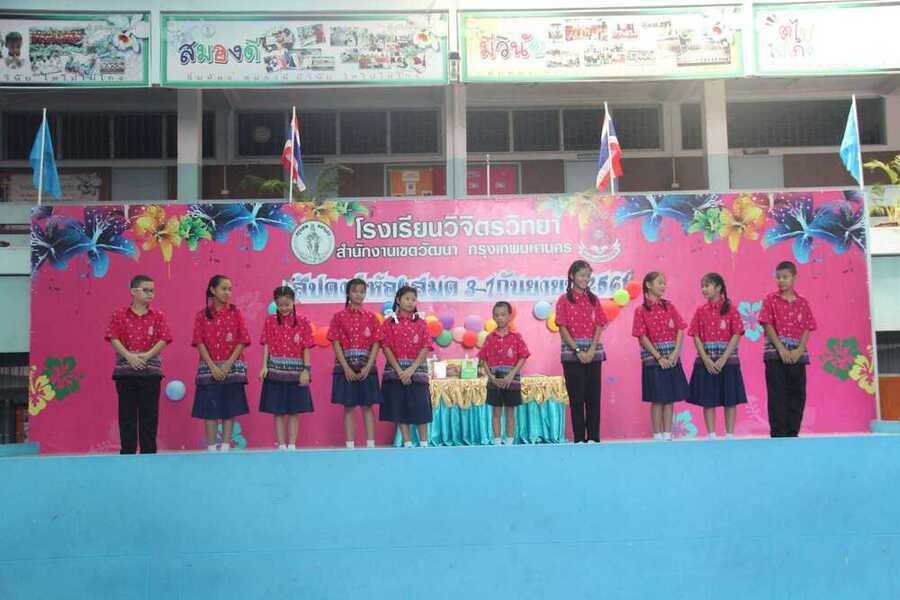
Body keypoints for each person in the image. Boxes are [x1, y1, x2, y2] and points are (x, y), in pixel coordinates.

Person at [104, 274, 171, 454]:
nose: (150, 294)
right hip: (125, 373)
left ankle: (149, 452)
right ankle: (128, 452)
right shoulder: (119, 314)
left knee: (149, 415)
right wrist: (129, 356)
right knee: (127, 415)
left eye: (152, 291)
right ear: (133, 291)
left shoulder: (158, 316)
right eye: (146, 290)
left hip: (151, 373)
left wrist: (147, 356)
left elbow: (163, 339)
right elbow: (113, 338)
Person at [191, 275, 251, 451]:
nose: (228, 292)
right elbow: (199, 342)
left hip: (232, 369)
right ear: (213, 290)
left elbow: (243, 340)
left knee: (229, 409)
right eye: (224, 288)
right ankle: (211, 448)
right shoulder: (201, 315)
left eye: (230, 289)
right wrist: (212, 366)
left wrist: (227, 365)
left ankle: (225, 447)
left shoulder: (235, 312)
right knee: (210, 411)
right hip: (209, 369)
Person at [760, 261, 817, 437]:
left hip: (797, 356)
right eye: (778, 277)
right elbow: (767, 324)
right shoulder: (770, 299)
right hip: (775, 356)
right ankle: (778, 434)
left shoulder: (802, 303)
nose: (781, 281)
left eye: (785, 277)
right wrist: (781, 349)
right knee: (777, 395)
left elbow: (807, 327)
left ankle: (793, 432)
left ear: (794, 277)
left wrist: (799, 350)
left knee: (797, 394)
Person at [687, 273, 747, 439]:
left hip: (728, 363)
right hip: (706, 363)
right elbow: (695, 335)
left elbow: (737, 334)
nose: (704, 289)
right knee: (708, 400)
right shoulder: (701, 311)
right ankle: (711, 435)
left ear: (719, 287)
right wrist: (706, 359)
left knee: (730, 399)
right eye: (702, 286)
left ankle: (729, 435)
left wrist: (723, 358)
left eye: (707, 285)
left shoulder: (731, 309)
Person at [631, 272, 689, 441]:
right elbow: (642, 336)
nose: (663, 286)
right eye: (659, 283)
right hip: (653, 361)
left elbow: (680, 329)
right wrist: (659, 357)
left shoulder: (669, 306)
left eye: (664, 283)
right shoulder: (640, 310)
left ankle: (668, 435)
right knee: (657, 399)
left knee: (669, 399)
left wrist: (675, 353)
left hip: (671, 359)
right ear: (649, 285)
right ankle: (657, 436)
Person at [555, 260, 608, 443]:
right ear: (572, 276)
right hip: (572, 356)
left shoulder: (593, 299)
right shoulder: (563, 300)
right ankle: (579, 439)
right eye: (582, 275)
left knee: (593, 398)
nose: (585, 279)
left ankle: (593, 438)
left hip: (594, 355)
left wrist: (592, 350)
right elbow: (562, 328)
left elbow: (600, 324)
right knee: (576, 399)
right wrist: (578, 350)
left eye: (588, 276)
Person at [328, 278, 383, 448]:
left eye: (362, 291)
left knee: (367, 406)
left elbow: (377, 343)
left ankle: (371, 444)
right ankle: (350, 445)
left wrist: (369, 366)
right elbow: (335, 342)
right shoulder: (339, 317)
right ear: (348, 293)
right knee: (349, 406)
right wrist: (345, 368)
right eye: (355, 291)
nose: (359, 295)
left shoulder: (371, 318)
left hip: (366, 368)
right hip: (346, 368)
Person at [259, 286, 314, 450]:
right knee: (278, 411)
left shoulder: (303, 321)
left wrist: (306, 370)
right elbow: (267, 344)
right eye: (280, 305)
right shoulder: (270, 321)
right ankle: (281, 445)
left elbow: (306, 347)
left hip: (296, 373)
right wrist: (264, 366)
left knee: (294, 411)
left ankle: (292, 444)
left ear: (293, 302)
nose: (284, 308)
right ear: (275, 304)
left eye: (287, 304)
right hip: (275, 371)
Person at [378, 286, 433, 447]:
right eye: (407, 299)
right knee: (400, 408)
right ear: (398, 300)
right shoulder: (389, 323)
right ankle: (407, 442)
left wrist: (411, 370)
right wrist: (400, 371)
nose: (410, 302)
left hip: (417, 374)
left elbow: (426, 347)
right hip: (396, 374)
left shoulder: (421, 323)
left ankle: (424, 444)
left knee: (421, 408)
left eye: (413, 299)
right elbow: (386, 347)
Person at [478, 301, 530, 446]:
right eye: (496, 315)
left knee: (510, 413)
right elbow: (483, 359)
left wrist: (511, 375)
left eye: (503, 315)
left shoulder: (516, 337)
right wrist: (491, 377)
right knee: (496, 413)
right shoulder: (490, 338)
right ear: (493, 317)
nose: (500, 318)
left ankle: (509, 442)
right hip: (494, 382)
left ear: (509, 316)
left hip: (511, 381)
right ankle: (496, 442)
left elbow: (523, 356)